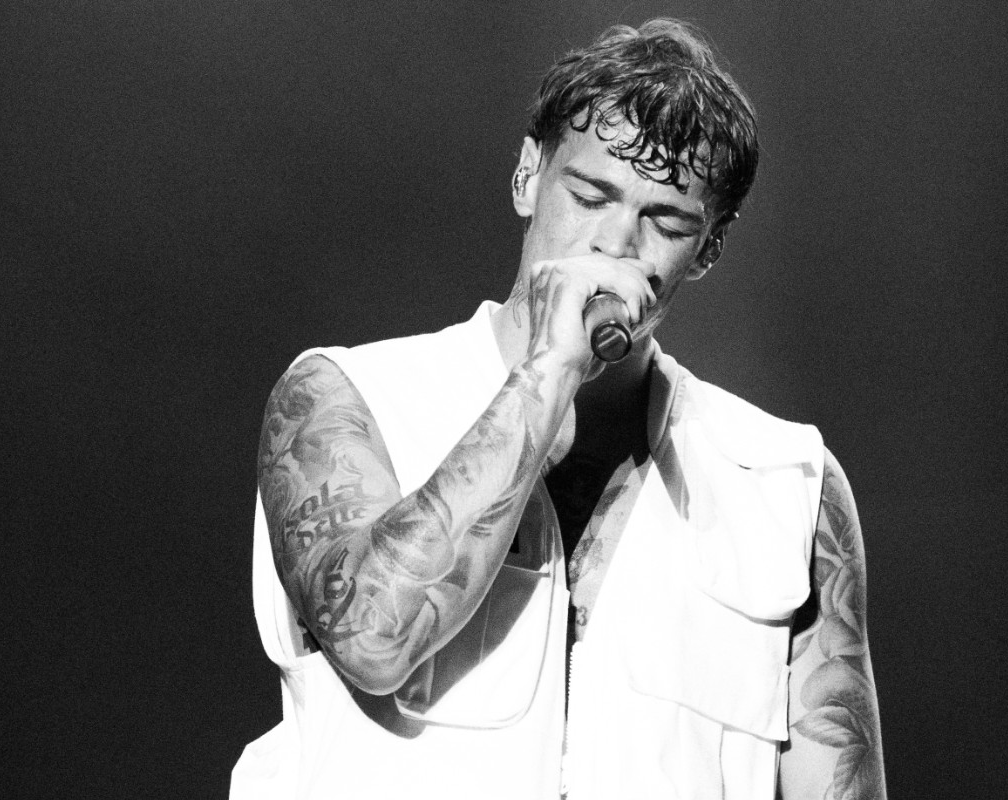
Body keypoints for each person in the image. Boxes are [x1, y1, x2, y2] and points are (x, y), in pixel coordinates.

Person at [232, 18, 886, 800]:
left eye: (666, 221)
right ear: (527, 177)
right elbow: (373, 635)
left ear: (708, 248)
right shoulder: (350, 397)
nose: (615, 241)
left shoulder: (784, 484)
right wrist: (549, 371)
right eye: (590, 195)